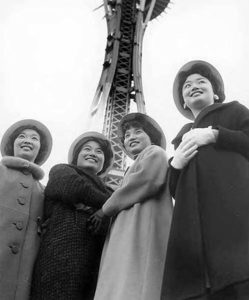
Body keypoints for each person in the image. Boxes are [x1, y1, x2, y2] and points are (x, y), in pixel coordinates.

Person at [161, 60, 249, 300]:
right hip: (194, 228)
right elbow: (176, 191)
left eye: (202, 81)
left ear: (216, 92)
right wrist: (175, 165)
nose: (193, 86)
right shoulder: (181, 138)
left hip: (235, 214)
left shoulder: (235, 111)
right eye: (187, 86)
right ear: (183, 101)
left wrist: (215, 135)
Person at [89, 113, 173, 300]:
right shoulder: (135, 164)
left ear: (151, 136)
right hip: (132, 233)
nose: (131, 137)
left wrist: (105, 209)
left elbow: (145, 181)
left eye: (138, 132)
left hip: (142, 232)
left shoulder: (155, 152)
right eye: (127, 135)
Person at [30, 131, 114, 300]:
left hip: (94, 264)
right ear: (77, 156)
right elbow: (74, 188)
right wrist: (110, 205)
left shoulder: (110, 191)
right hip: (58, 257)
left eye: (99, 152)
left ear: (104, 162)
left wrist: (99, 208)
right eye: (87, 149)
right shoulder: (61, 170)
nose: (92, 153)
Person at [0, 119, 52, 300]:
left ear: (39, 149)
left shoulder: (44, 191)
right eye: (21, 136)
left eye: (34, 138)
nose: (27, 140)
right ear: (12, 145)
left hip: (23, 279)